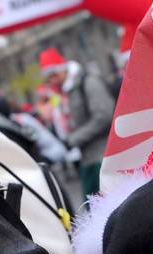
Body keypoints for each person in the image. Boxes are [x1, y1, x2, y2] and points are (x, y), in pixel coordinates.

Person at [39, 47, 115, 197]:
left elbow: (104, 116)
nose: (52, 82)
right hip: (87, 158)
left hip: (102, 156)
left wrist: (73, 139)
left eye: (53, 76)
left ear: (61, 70)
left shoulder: (88, 82)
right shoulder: (65, 91)